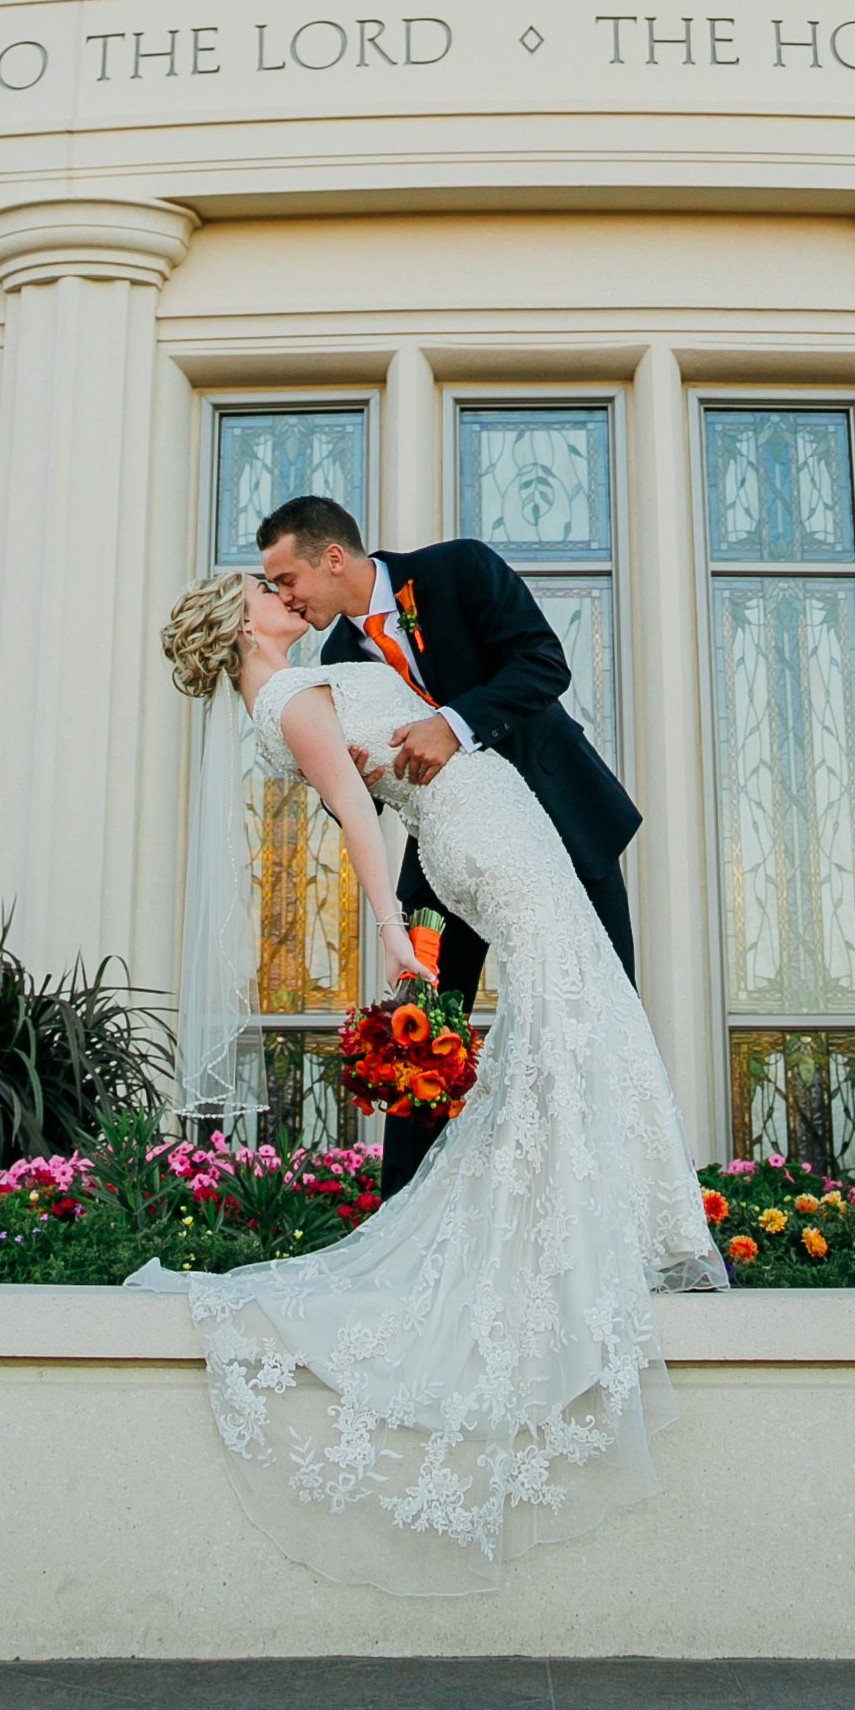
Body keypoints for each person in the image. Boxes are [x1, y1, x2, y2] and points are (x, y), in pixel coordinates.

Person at [137, 562, 724, 1596]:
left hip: (491, 817)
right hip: (477, 835)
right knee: (578, 999)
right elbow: (360, 818)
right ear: (242, 621)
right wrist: (395, 939)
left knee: (580, 1001)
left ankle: (620, 1214)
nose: (286, 590)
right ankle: (620, 1221)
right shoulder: (287, 698)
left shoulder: (300, 681)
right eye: (267, 588)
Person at [258, 493, 639, 1197]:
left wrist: (454, 723)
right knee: (421, 1032)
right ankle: (404, 1211)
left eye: (287, 579)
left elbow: (543, 663)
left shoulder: (458, 569)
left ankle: (611, 1201)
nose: (284, 596)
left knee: (601, 1011)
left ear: (333, 558)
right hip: (445, 863)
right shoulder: (337, 657)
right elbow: (359, 799)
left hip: (561, 826)